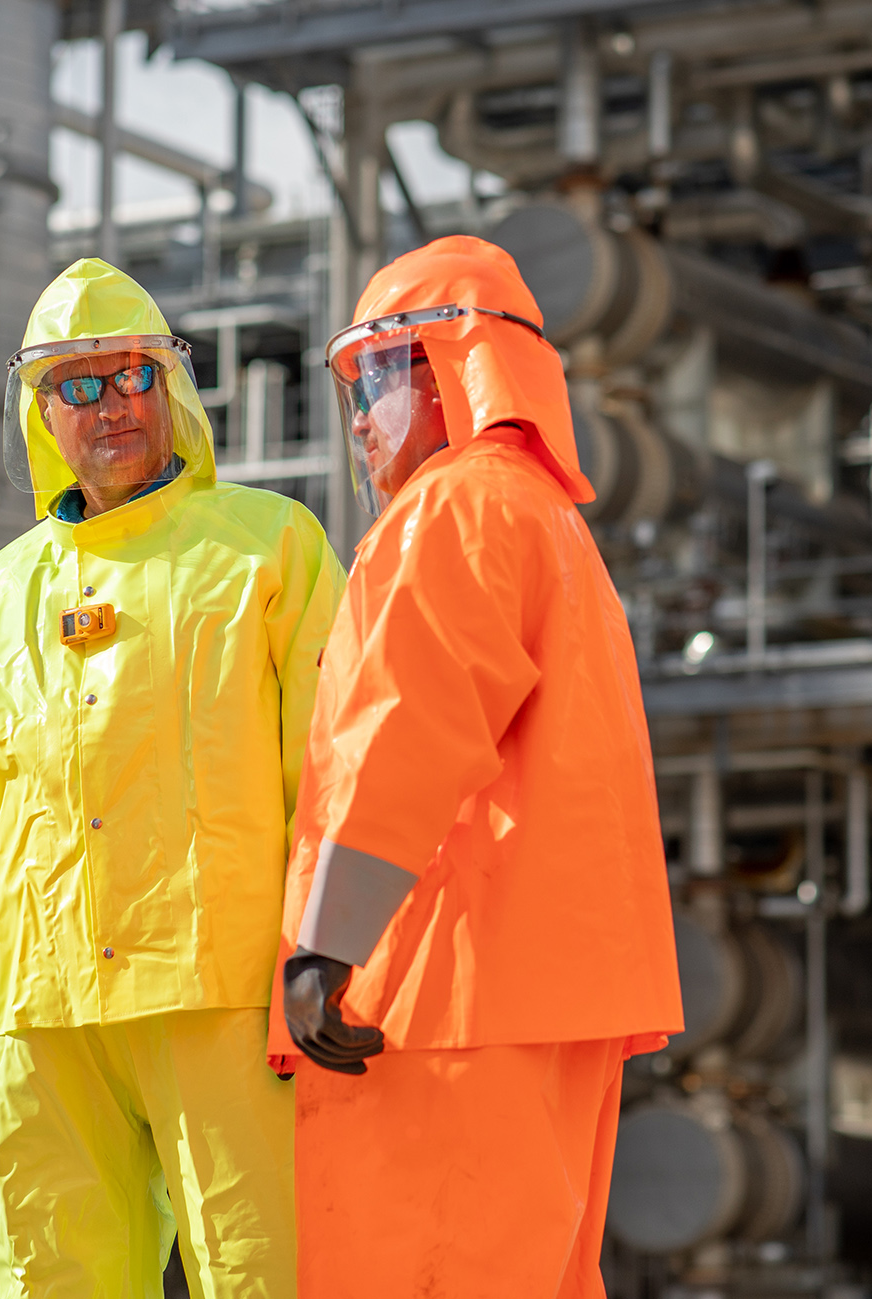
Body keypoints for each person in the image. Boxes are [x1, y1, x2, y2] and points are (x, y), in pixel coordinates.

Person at [0, 258, 343, 1296]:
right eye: (79, 386)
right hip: (41, 1014)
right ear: (38, 411)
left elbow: (329, 767)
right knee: (55, 1280)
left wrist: (325, 946)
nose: (112, 406)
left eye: (132, 375)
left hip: (222, 998)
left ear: (173, 388)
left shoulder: (268, 550)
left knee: (264, 1271)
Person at [271, 235, 686, 1297]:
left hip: (443, 997)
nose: (357, 418)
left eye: (371, 379)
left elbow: (408, 732)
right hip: (545, 998)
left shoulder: (449, 512)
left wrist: (326, 945)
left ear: (449, 365)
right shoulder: (547, 522)